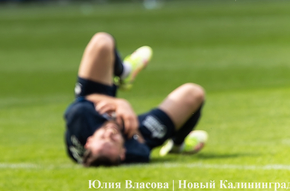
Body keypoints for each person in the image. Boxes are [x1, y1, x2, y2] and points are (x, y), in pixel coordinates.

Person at [64, 32, 207, 167]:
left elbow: (86, 99)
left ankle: (123, 72)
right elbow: (142, 147)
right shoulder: (135, 151)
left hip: (98, 108)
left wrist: (120, 104)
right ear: (123, 153)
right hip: (136, 131)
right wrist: (132, 130)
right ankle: (177, 145)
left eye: (103, 137)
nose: (110, 133)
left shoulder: (81, 121)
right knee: (194, 93)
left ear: (89, 142)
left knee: (102, 41)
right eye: (113, 140)